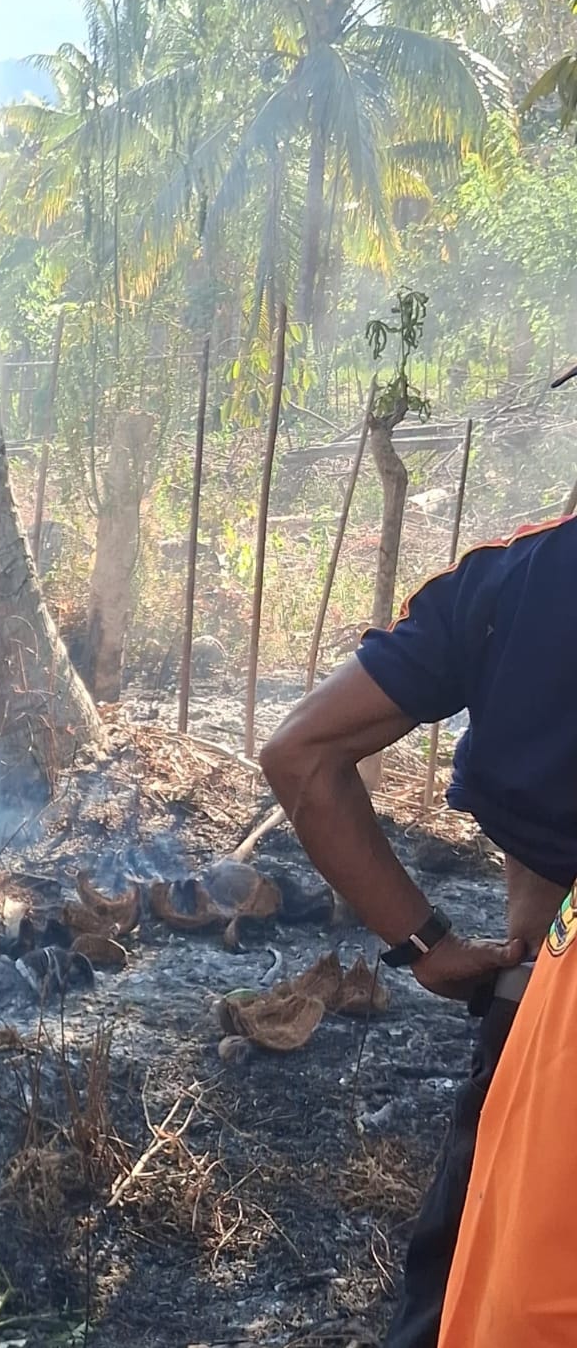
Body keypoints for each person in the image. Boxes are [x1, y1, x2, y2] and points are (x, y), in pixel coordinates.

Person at [259, 513, 577, 1348]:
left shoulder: (518, 580)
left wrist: (425, 946)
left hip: (542, 1035)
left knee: (474, 1301)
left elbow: (301, 754)